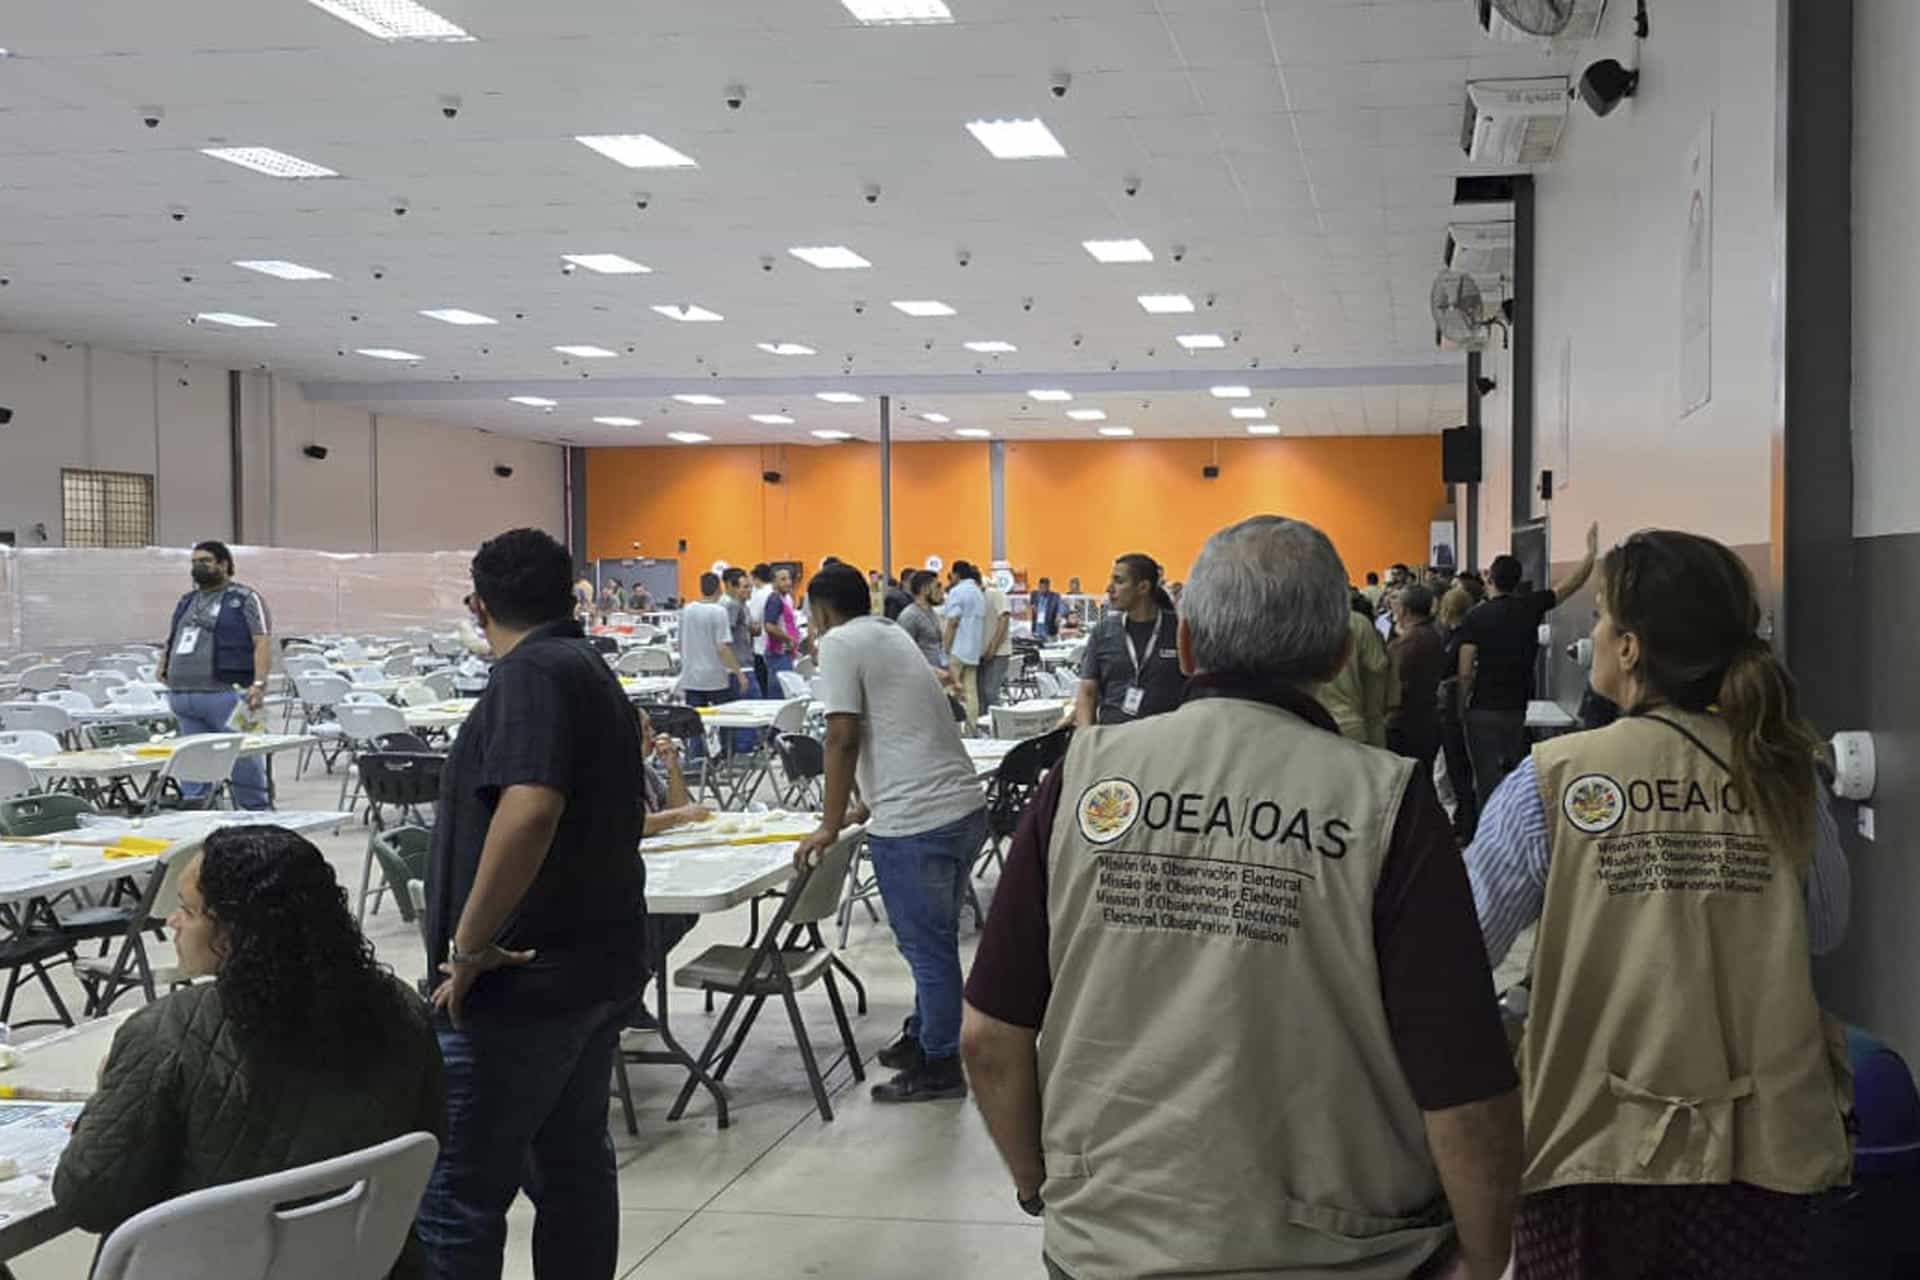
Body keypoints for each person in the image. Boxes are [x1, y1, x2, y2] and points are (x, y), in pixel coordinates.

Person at [962, 515, 1522, 1280]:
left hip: (1106, 1244)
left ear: (1186, 645)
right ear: (1334, 657)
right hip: (1343, 1248)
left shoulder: (1084, 780)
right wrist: (1485, 1259)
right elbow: (1462, 1081)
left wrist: (1042, 1190)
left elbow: (988, 1038)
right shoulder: (1385, 804)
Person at [1466, 530, 1852, 1278]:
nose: (1596, 639)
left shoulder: (1553, 780)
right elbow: (1828, 930)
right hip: (1758, 1156)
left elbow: (1464, 949)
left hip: (1590, 1150)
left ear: (1632, 649)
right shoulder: (1785, 773)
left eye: (1603, 617)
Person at [55, 826, 443, 1278]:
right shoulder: (401, 1010)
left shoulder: (166, 1033)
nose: (172, 924)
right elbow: (430, 1137)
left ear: (232, 932)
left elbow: (87, 1198)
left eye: (186, 910)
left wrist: (105, 1102)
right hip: (359, 1264)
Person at [418, 527, 649, 1280]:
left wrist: (471, 944)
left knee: (458, 1192)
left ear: (478, 606)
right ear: (571, 591)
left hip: (527, 984)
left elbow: (530, 809)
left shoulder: (531, 676)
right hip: (593, 965)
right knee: (573, 1164)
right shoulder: (586, 667)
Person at [796, 563, 988, 1103]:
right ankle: (925, 1035)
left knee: (928, 951)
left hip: (917, 822)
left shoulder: (838, 642)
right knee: (936, 942)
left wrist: (829, 825)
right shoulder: (890, 633)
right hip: (961, 808)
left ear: (821, 611)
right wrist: (862, 804)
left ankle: (941, 1064)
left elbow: (841, 736)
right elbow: (898, 726)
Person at [1456, 525, 1599, 809]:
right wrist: (1590, 555)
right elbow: (1569, 586)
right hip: (1516, 705)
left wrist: (1462, 705)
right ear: (1518, 580)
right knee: (1513, 773)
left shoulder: (1475, 617)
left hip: (1482, 707)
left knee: (1485, 778)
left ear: (1489, 580)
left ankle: (1488, 831)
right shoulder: (1529, 607)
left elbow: (1465, 669)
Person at [156, 540, 273, 810]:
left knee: (245, 756)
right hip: (184, 695)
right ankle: (198, 812)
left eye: (205, 561)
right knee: (194, 762)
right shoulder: (187, 600)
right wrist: (163, 665)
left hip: (230, 693)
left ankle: (256, 812)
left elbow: (262, 642)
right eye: (194, 562)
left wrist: (259, 684)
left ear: (224, 564)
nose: (198, 567)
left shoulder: (245, 598)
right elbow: (172, 637)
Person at [1071, 554, 1185, 727]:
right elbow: (1087, 691)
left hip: (1165, 739)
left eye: (1119, 581)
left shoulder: (1178, 629)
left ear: (1143, 587)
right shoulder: (1103, 631)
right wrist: (1086, 737)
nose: (1109, 588)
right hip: (1113, 738)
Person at [1314, 592, 1392, 746]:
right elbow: (1377, 671)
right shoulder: (1357, 623)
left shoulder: (1288, 624)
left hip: (1303, 729)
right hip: (1352, 727)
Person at [1386, 583, 1447, 773]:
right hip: (1427, 719)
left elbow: (1391, 682)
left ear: (1405, 610)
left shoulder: (1406, 645)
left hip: (1405, 723)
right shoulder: (1434, 635)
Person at [1436, 584, 1480, 841]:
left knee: (1458, 767)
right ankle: (1462, 820)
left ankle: (1466, 823)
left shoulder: (1460, 638)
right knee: (1454, 768)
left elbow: (1461, 673)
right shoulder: (1455, 635)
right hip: (1451, 705)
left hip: (1454, 706)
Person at [679, 572, 748, 728]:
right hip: (715, 679)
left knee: (694, 727)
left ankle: (696, 752)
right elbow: (722, 647)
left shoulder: (686, 610)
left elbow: (680, 643)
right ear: (719, 589)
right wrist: (739, 673)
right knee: (724, 723)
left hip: (691, 677)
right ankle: (724, 751)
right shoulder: (719, 612)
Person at [940, 561, 989, 728]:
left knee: (950, 689)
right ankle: (971, 727)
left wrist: (945, 647)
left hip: (957, 649)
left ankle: (951, 727)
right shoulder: (979, 593)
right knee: (971, 691)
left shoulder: (957, 592)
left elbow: (953, 621)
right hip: (973, 649)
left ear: (956, 574)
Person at [898, 571, 948, 673]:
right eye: (937, 587)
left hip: (937, 676)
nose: (942, 591)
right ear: (924, 589)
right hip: (922, 678)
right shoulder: (909, 616)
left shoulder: (931, 612)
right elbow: (904, 653)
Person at [979, 574, 1014, 712]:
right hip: (981, 654)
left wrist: (993, 648)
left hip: (999, 653)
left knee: (990, 692)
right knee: (981, 694)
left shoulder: (996, 595)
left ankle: (999, 725)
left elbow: (1004, 619)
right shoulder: (976, 598)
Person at [762, 566, 802, 684]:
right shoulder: (775, 599)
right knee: (780, 692)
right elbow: (769, 626)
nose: (788, 582)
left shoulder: (784, 598)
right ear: (774, 582)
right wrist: (788, 639)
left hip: (785, 651)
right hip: (778, 653)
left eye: (789, 579)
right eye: (783, 579)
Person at [747, 563, 775, 693]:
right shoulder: (779, 592)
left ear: (757, 578)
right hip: (776, 646)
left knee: (764, 685)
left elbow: (753, 618)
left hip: (761, 645)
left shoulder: (759, 595)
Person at [1029, 576, 1064, 642]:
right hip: (1037, 628)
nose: (1042, 589)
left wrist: (1058, 615)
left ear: (1048, 586)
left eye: (1044, 587)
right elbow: (1031, 605)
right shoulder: (1034, 594)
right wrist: (1032, 608)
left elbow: (1059, 607)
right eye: (1040, 587)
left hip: (1049, 628)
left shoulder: (1055, 596)